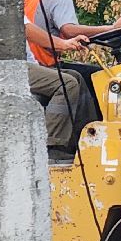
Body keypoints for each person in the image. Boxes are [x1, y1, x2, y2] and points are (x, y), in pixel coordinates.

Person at [23, 0, 121, 101]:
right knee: (99, 76)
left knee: (78, 75)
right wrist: (111, 28)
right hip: (43, 65)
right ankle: (88, 123)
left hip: (32, 63)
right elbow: (69, 31)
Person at [23, 16, 93, 163]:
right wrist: (63, 44)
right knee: (66, 83)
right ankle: (52, 148)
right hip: (10, 68)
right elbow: (26, 29)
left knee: (77, 77)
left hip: (27, 64)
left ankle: (83, 140)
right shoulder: (2, 2)